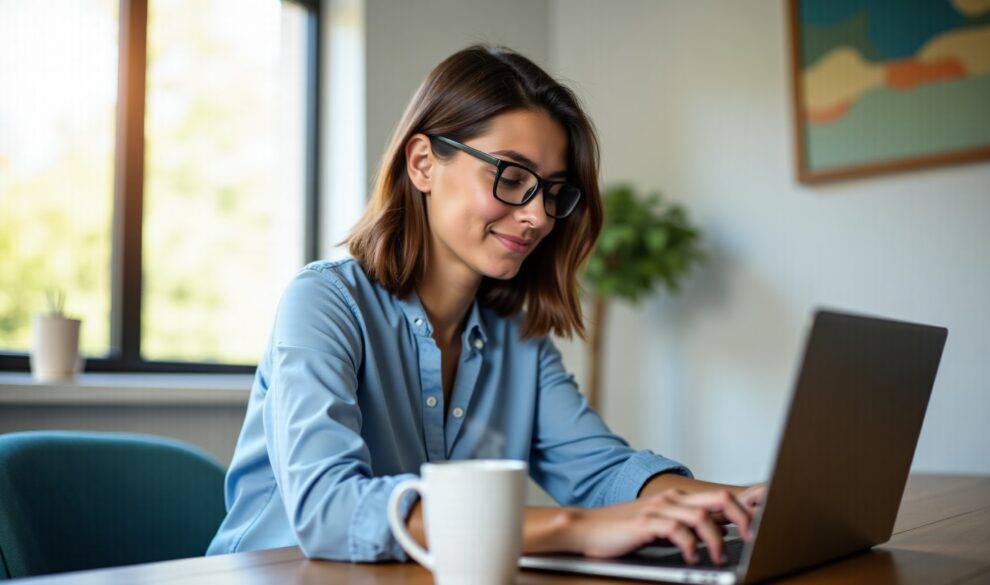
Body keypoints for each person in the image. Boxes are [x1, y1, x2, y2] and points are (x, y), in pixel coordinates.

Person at [206, 44, 764, 567]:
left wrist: (751, 502)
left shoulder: (517, 336)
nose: (540, 216)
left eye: (551, 191)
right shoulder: (324, 301)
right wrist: (572, 528)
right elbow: (328, 510)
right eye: (512, 176)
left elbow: (603, 472)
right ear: (423, 163)